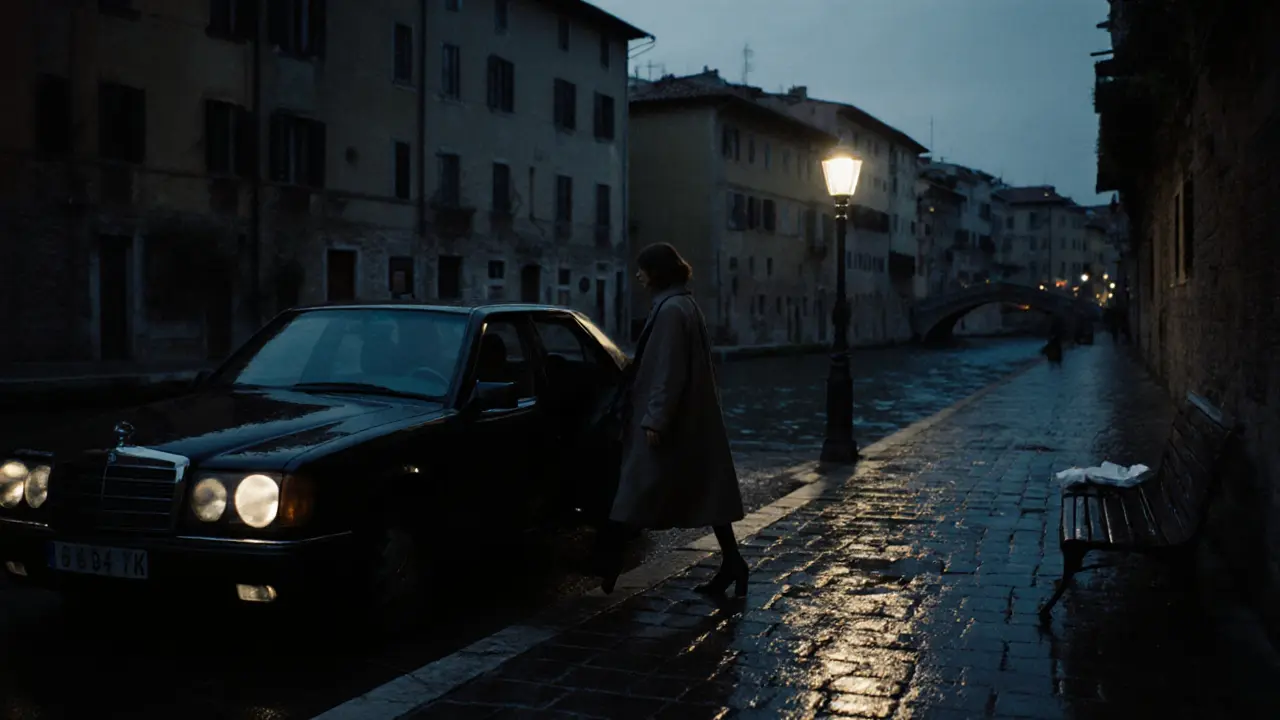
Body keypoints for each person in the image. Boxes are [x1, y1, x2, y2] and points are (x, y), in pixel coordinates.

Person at [594, 243, 747, 597]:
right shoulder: (683, 304)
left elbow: (669, 369)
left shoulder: (671, 311)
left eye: (643, 269)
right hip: (687, 419)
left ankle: (608, 566)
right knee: (708, 494)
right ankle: (733, 563)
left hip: (667, 421)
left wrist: (655, 419)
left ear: (657, 272)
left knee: (633, 490)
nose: (638, 276)